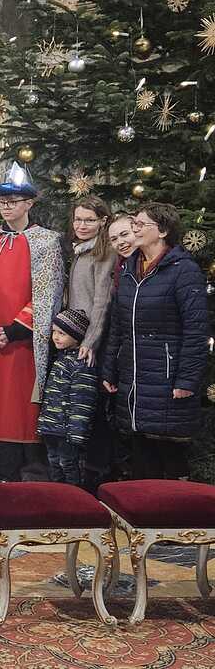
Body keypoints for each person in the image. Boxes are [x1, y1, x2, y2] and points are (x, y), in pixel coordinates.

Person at [0, 163, 64, 482]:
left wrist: (13, 331)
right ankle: (1, 470)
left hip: (25, 341)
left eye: (13, 201)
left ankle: (32, 473)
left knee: (24, 406)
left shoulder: (46, 241)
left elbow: (48, 291)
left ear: (29, 203)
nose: (6, 207)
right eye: (2, 202)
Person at [102, 203, 209, 480]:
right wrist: (110, 370)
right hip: (134, 378)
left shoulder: (183, 271)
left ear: (162, 231)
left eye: (141, 224)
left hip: (167, 378)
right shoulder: (128, 270)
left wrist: (187, 381)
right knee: (141, 458)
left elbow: (196, 331)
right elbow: (118, 327)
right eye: (134, 224)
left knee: (170, 459)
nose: (135, 229)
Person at [37, 309, 97, 486]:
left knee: (68, 464)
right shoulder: (59, 359)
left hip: (68, 432)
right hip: (52, 427)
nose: (55, 337)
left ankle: (74, 495)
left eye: (62, 333)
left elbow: (82, 402)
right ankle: (58, 494)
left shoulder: (81, 364)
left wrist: (77, 433)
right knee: (54, 462)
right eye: (54, 332)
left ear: (76, 337)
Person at [67, 196, 117, 366]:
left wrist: (90, 340)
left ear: (103, 221)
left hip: (91, 339)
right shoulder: (81, 249)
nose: (82, 226)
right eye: (78, 219)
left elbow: (102, 301)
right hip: (75, 332)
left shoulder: (106, 252)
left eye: (89, 220)